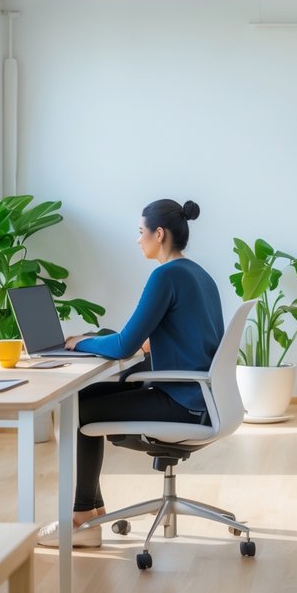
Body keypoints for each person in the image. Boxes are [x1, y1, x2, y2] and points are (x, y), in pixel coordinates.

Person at [36, 199, 224, 548]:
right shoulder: (199, 274)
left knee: (75, 410)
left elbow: (124, 345)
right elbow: (180, 335)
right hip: (202, 397)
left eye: (141, 233)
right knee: (85, 396)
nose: (138, 240)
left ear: (159, 233)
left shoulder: (166, 275)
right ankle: (92, 512)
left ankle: (82, 520)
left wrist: (81, 343)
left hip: (183, 402)